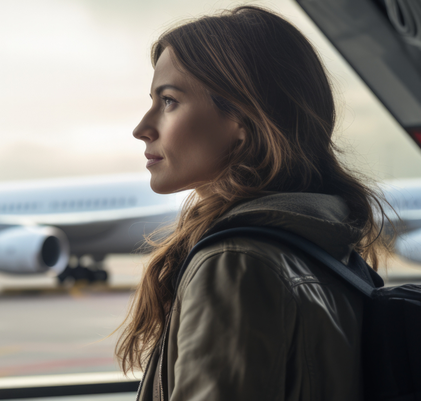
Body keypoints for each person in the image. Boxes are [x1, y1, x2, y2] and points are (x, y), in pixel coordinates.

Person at [117, 6, 391, 400]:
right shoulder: (326, 244)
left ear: (242, 121)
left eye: (169, 101)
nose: (142, 128)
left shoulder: (235, 262)